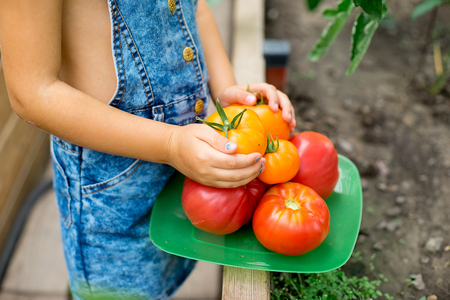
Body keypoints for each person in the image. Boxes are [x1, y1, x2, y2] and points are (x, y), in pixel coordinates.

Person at [0, 0, 296, 299]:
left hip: (185, 164)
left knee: (168, 273)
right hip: (113, 197)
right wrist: (169, 144)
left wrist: (230, 103)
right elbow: (32, 93)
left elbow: (195, 9)